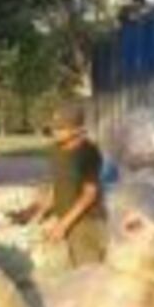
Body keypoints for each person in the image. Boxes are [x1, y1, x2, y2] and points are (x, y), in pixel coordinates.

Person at [28, 103, 107, 266]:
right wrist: (42, 211)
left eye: (61, 128)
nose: (54, 132)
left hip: (85, 222)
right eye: (54, 128)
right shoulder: (54, 150)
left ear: (77, 130)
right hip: (62, 218)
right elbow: (56, 184)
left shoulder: (89, 152)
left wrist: (63, 225)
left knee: (86, 272)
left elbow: (89, 195)